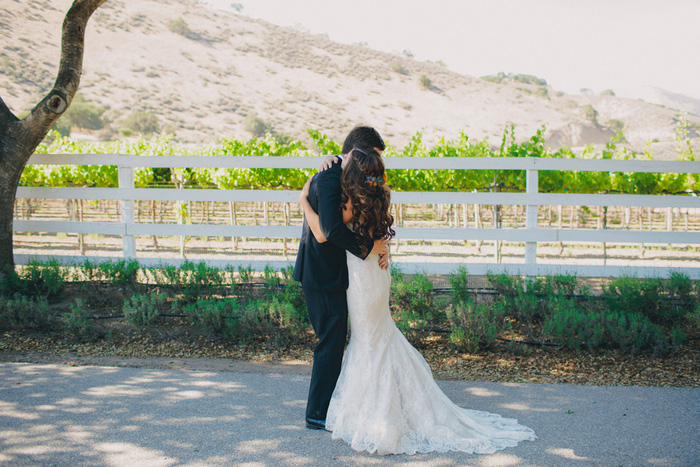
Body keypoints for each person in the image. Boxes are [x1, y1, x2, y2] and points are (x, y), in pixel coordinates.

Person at [298, 147, 537, 455]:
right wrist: (379, 247)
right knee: (375, 338)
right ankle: (380, 407)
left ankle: (369, 413)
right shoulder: (373, 194)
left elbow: (324, 233)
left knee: (368, 341)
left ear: (352, 169)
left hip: (361, 276)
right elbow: (374, 237)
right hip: (371, 276)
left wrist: (304, 200)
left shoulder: (347, 197)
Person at [292, 126, 389, 431]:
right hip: (321, 273)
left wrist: (381, 247)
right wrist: (369, 248)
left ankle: (332, 405)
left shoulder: (351, 176)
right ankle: (316, 413)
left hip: (345, 273)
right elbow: (327, 232)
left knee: (337, 340)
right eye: (370, 157)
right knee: (330, 342)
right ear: (355, 154)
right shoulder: (329, 177)